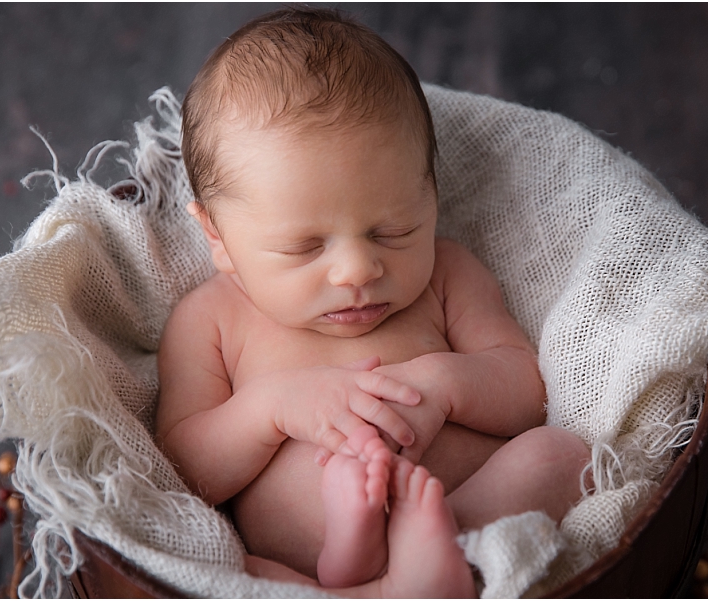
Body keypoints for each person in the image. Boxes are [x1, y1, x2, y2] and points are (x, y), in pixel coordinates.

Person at [155, 6, 590, 597]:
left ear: (431, 194)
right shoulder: (211, 320)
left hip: (465, 508)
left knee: (563, 457)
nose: (359, 269)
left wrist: (442, 385)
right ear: (218, 237)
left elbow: (526, 393)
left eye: (393, 231)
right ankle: (371, 583)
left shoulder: (447, 274)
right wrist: (270, 408)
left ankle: (431, 555)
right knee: (224, 575)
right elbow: (183, 470)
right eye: (304, 246)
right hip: (304, 562)